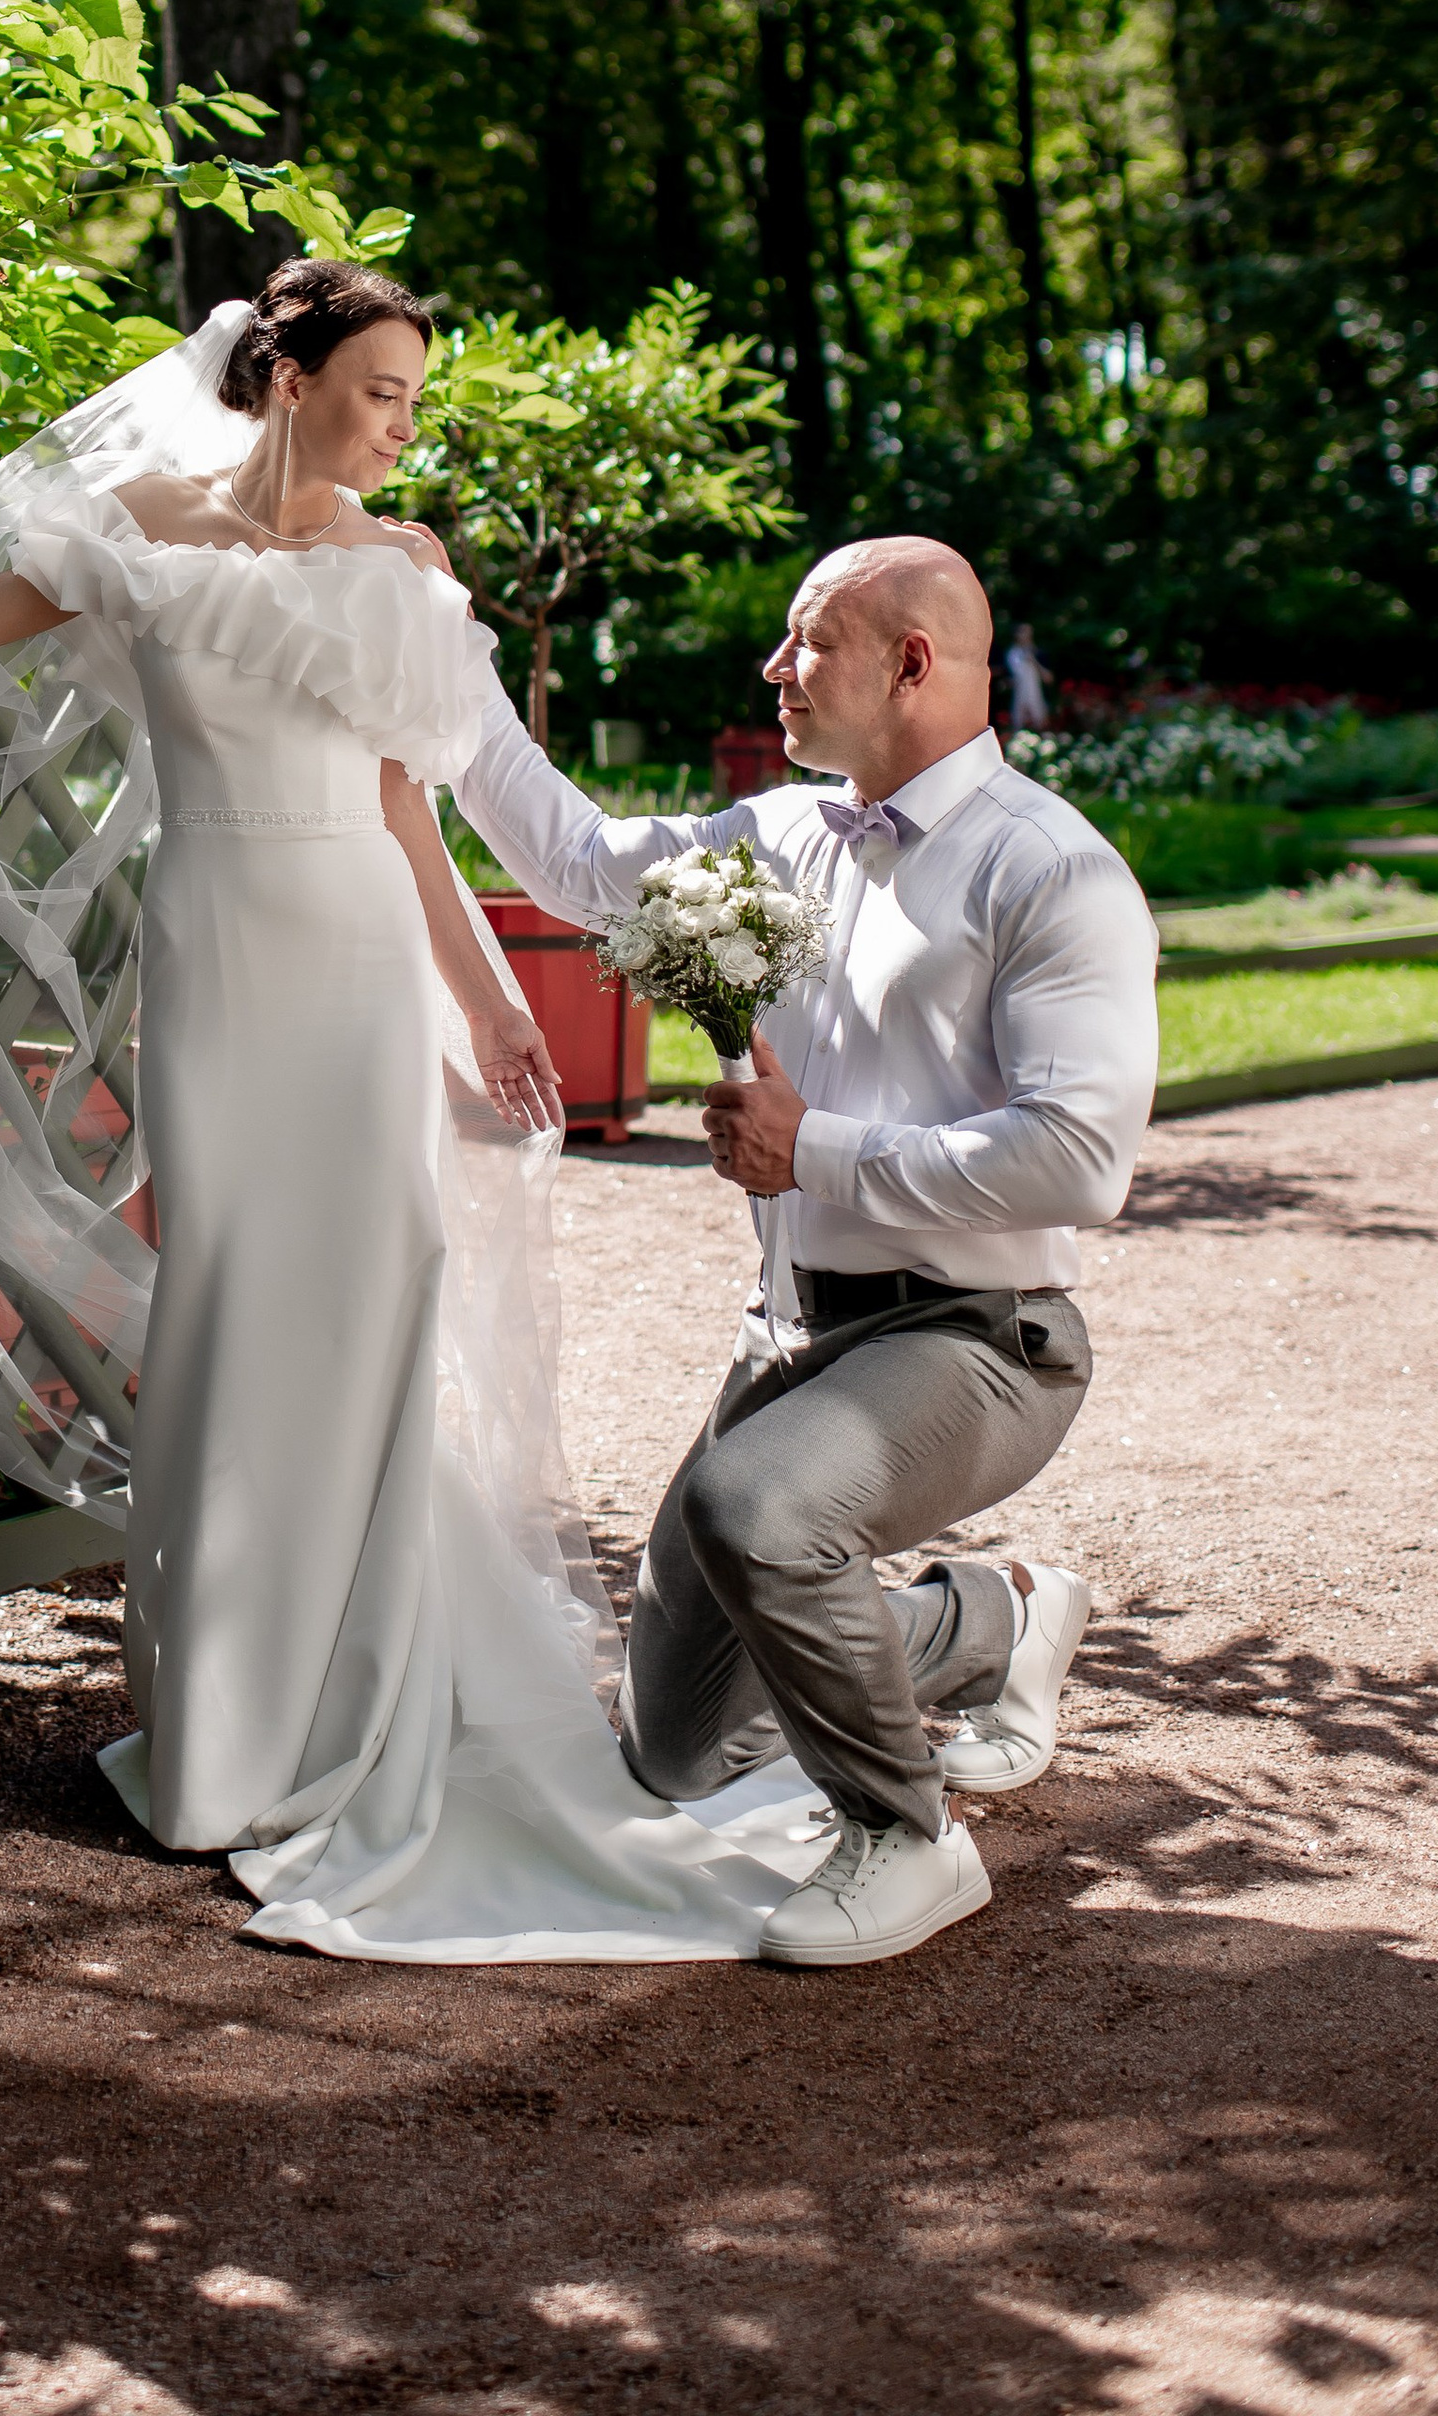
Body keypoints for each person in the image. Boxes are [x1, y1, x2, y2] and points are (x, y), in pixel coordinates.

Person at [0, 256, 828, 1963]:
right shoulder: (144, 516)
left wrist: (487, 995)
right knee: (226, 1316)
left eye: (416, 401)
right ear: (286, 380)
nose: (401, 427)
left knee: (371, 1301)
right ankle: (220, 1730)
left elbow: (400, 803)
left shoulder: (403, 569)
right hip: (214, 943)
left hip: (356, 956)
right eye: (380, 393)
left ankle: (360, 1697)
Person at [453, 536, 1158, 1968]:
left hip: (980, 1338)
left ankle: (904, 1833)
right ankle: (982, 1624)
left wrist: (813, 1147)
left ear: (908, 662)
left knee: (754, 1508)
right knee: (665, 1750)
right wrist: (444, 656)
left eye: (804, 641)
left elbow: (1083, 1161)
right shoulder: (780, 837)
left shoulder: (1051, 874)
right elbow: (585, 865)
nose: (775, 668)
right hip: (788, 1336)